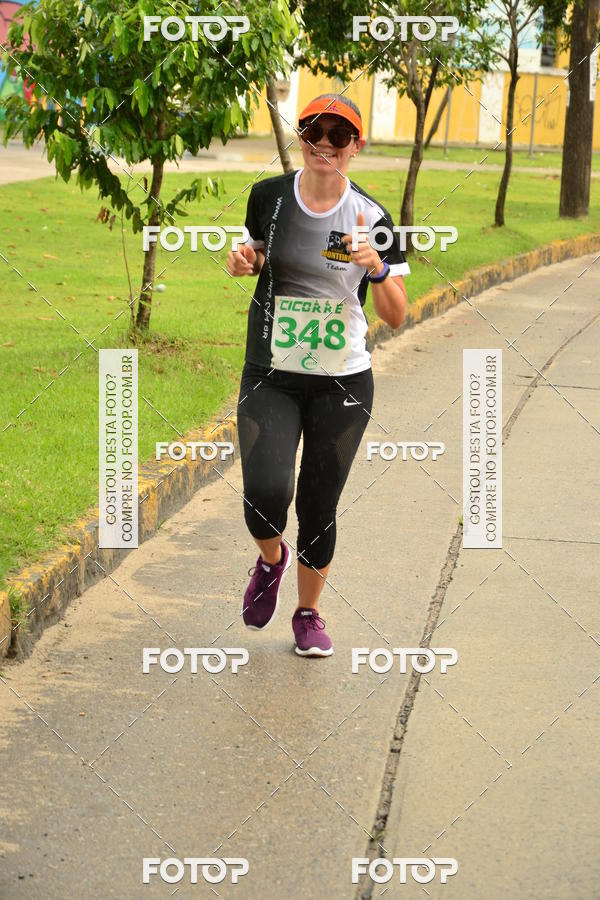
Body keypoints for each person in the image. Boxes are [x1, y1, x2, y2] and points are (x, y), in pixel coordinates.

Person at [225, 94, 410, 657]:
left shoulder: (373, 218)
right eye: (314, 131)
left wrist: (374, 267)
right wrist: (244, 260)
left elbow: (397, 314)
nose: (325, 144)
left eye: (339, 135)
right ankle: (271, 561)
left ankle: (308, 615)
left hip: (343, 380)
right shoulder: (269, 198)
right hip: (272, 370)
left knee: (318, 504)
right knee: (263, 492)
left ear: (357, 145)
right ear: (301, 136)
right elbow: (258, 254)